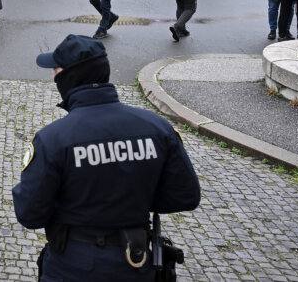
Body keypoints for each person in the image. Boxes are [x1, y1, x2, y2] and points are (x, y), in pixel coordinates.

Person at [13, 35, 201, 281]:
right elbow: (185, 196)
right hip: (135, 261)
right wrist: (134, 197)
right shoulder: (157, 128)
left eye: (56, 69)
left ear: (69, 77)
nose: (53, 75)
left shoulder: (53, 140)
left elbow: (30, 213)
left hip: (72, 265)